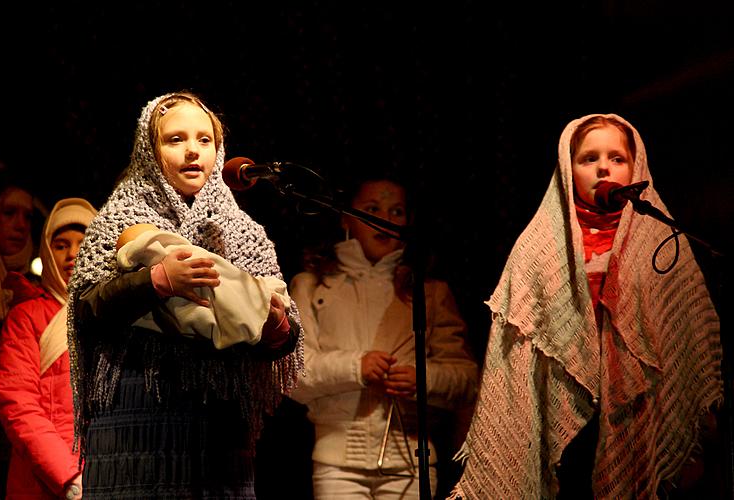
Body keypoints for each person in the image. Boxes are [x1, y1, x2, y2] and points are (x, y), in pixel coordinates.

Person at [450, 114, 722, 499]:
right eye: (589, 158)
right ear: (567, 168)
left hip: (639, 413)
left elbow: (688, 339)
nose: (604, 168)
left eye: (617, 158)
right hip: (565, 419)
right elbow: (513, 357)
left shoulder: (661, 240)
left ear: (636, 166)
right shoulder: (539, 245)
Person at [66, 91, 303, 499]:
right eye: (175, 139)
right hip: (133, 415)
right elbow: (87, 309)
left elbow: (284, 335)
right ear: (149, 149)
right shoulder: (119, 220)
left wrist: (278, 324)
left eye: (204, 139)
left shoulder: (245, 231)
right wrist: (157, 280)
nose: (193, 151)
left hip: (219, 427)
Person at [288, 174, 479, 499]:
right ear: (347, 217)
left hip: (411, 461)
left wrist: (422, 379)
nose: (386, 220)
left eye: (397, 212)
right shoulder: (312, 285)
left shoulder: (428, 292)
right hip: (338, 464)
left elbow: (467, 379)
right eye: (372, 209)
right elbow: (294, 376)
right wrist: (356, 367)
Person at [0, 197, 97, 500]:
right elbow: (19, 403)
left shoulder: (112, 315)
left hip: (108, 473)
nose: (73, 254)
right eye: (61, 245)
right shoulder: (26, 316)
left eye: (84, 242)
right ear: (46, 252)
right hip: (46, 482)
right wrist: (67, 477)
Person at [115, 223, 291, 348]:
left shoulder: (250, 234)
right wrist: (157, 279)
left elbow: (292, 336)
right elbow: (91, 309)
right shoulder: (117, 219)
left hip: (233, 385)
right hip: (144, 379)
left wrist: (277, 329)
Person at [0, 172, 35, 499]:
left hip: (10, 445)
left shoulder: (32, 285)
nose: (20, 224)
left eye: (28, 216)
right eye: (8, 212)